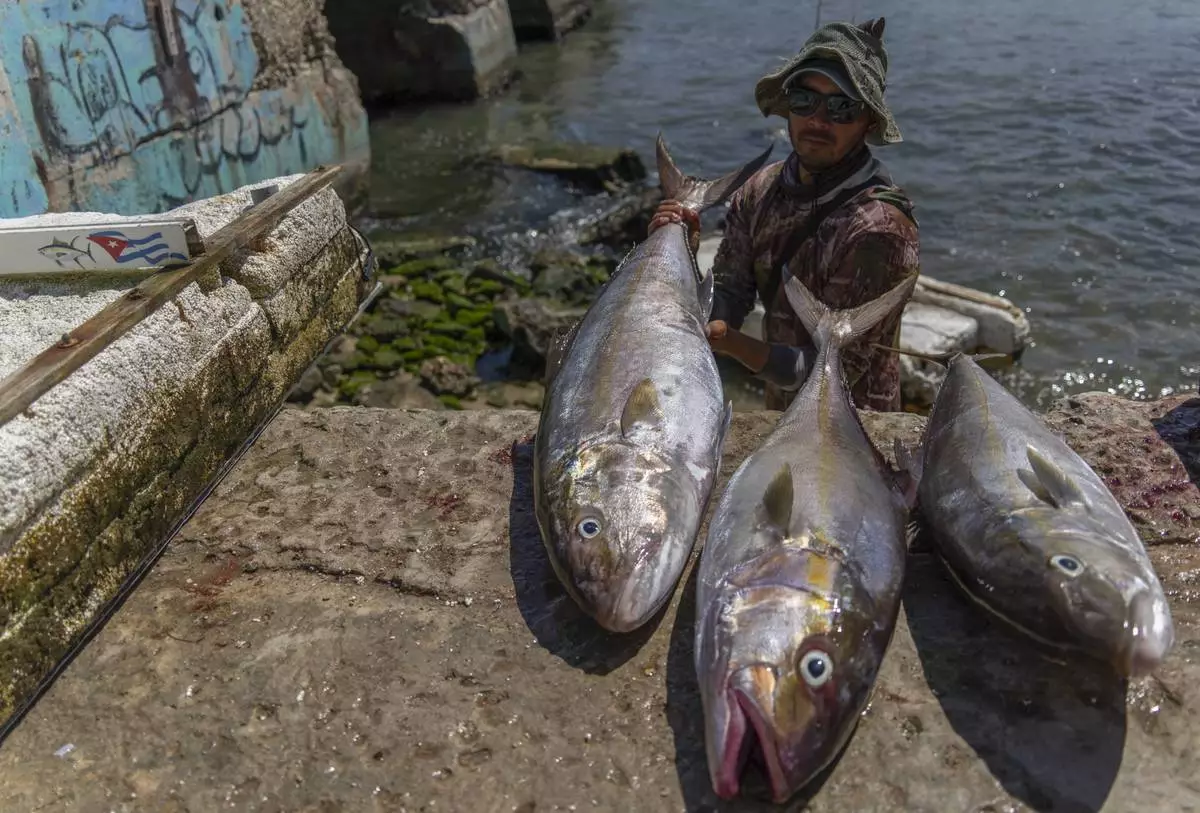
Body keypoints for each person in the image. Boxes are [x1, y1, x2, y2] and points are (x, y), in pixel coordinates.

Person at [648, 17, 920, 411]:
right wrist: (684, 257)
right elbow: (731, 291)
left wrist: (734, 344)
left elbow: (831, 374)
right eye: (805, 100)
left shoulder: (880, 230)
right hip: (779, 414)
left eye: (842, 107)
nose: (818, 120)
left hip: (855, 428)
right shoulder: (760, 190)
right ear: (788, 106)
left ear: (869, 122)